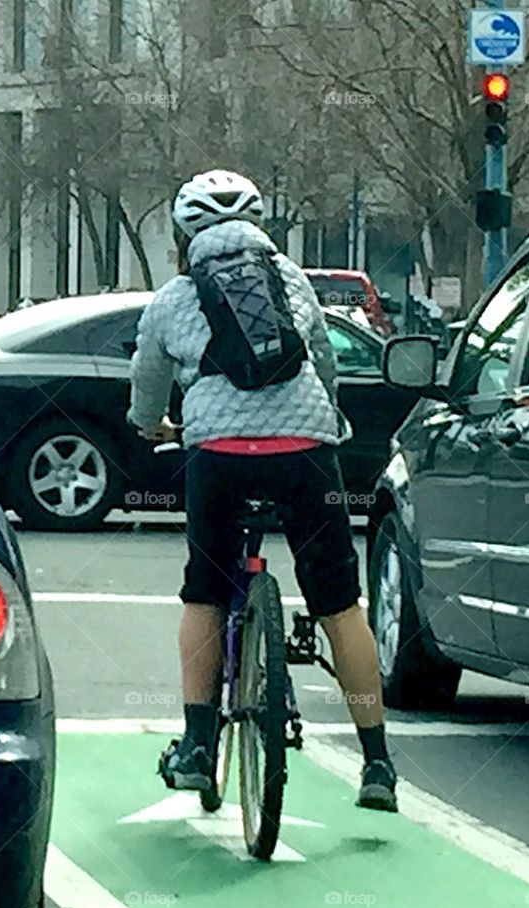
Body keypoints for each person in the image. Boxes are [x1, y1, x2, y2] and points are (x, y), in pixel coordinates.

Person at [127, 169, 397, 812]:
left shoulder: (172, 298)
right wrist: (325, 418)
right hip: (305, 452)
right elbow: (324, 364)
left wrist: (148, 426)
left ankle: (196, 746)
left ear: (183, 234)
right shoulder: (293, 281)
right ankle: (378, 763)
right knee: (339, 602)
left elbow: (148, 376)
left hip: (217, 455)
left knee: (205, 589)